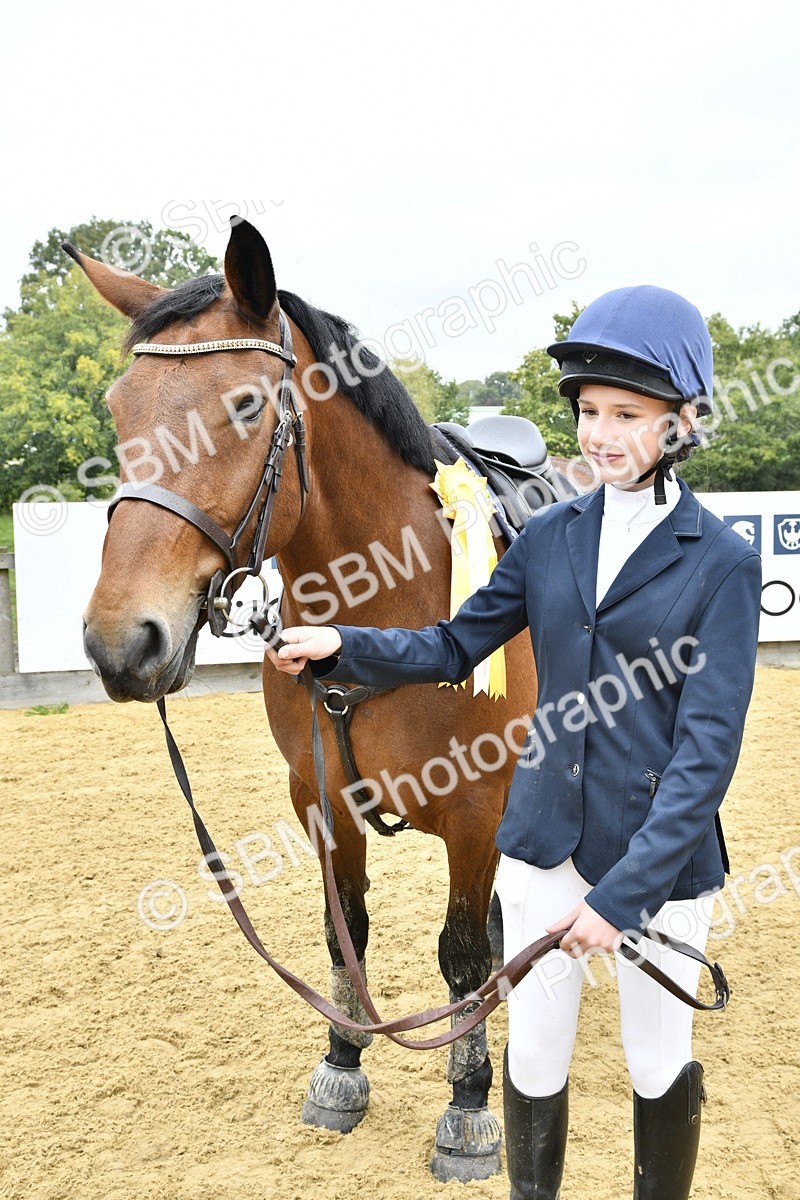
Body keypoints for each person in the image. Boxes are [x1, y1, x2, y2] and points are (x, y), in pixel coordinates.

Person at [268, 286, 762, 1199]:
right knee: (532, 1062)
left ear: (683, 421)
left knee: (657, 1064)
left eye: (626, 415)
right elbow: (455, 644)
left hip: (659, 866)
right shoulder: (548, 535)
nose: (600, 434)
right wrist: (345, 643)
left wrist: (622, 898)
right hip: (539, 848)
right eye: (589, 411)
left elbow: (706, 758)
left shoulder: (723, 563)